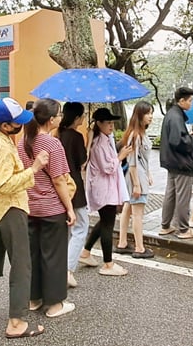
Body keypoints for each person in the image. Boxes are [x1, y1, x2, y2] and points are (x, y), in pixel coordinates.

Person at [0, 97, 49, 339]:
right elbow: (5, 184)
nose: (21, 126)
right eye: (17, 123)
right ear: (6, 126)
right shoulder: (4, 146)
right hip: (10, 209)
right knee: (21, 265)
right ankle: (16, 322)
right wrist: (34, 168)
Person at [17, 98, 76, 318]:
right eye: (59, 115)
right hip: (52, 208)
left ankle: (34, 299)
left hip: (29, 207)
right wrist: (69, 209)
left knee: (33, 254)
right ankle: (54, 305)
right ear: (51, 120)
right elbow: (59, 180)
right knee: (54, 256)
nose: (60, 118)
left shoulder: (22, 141)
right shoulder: (52, 144)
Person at [79, 108, 132, 275]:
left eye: (112, 122)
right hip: (104, 189)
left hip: (106, 187)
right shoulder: (98, 143)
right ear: (99, 123)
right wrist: (120, 156)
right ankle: (108, 264)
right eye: (108, 123)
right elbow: (108, 167)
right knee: (108, 225)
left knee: (104, 221)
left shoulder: (104, 138)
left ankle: (86, 252)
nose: (111, 126)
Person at [159, 87, 193, 239]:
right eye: (190, 100)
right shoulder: (176, 117)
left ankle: (165, 226)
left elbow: (176, 138)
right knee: (182, 197)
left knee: (171, 194)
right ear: (181, 100)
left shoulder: (172, 115)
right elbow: (179, 142)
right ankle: (183, 229)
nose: (191, 103)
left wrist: (189, 135)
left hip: (171, 161)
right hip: (181, 162)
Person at [116, 101, 156, 258]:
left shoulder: (138, 133)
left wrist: (149, 173)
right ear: (139, 115)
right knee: (138, 213)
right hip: (136, 178)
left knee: (128, 208)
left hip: (138, 176)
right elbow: (132, 163)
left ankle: (122, 242)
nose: (151, 116)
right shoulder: (136, 135)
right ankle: (139, 247)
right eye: (148, 113)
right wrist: (138, 185)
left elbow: (140, 161)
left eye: (151, 113)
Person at [58, 102, 88, 288]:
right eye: (82, 116)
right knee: (81, 227)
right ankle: (67, 270)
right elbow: (82, 161)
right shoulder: (76, 137)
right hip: (74, 185)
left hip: (61, 185)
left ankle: (62, 266)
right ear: (77, 118)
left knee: (68, 229)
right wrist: (90, 140)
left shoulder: (58, 135)